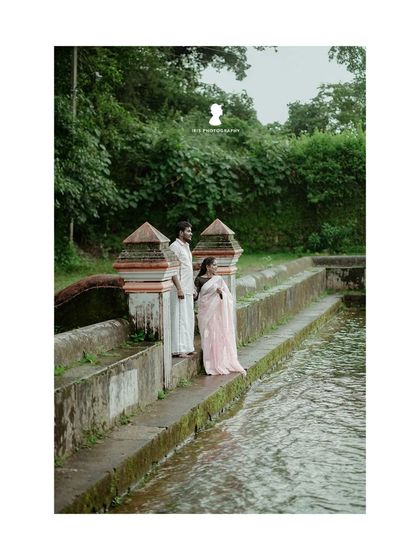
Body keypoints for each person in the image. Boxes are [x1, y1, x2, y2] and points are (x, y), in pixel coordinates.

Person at [195, 256, 246, 376]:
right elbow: (197, 297)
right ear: (207, 266)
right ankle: (209, 363)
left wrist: (221, 293)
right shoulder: (199, 279)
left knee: (217, 335)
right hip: (205, 311)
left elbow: (228, 297)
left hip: (216, 313)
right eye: (214, 265)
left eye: (217, 265)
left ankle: (218, 362)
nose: (216, 267)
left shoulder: (218, 279)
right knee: (208, 337)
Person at [170, 221, 197, 358]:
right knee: (180, 318)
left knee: (188, 318)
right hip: (179, 289)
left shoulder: (186, 246)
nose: (191, 233)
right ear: (181, 233)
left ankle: (187, 347)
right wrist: (179, 288)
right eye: (188, 231)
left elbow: (188, 269)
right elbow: (173, 271)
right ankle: (179, 349)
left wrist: (192, 287)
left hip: (187, 288)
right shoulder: (175, 247)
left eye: (190, 231)